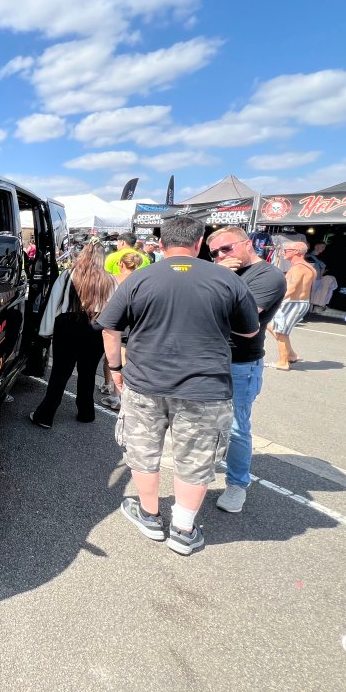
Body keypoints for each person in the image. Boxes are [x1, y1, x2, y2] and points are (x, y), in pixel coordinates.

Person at [98, 215, 259, 556]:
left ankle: (150, 515)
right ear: (199, 243)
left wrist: (115, 369)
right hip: (206, 387)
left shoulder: (140, 278)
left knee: (143, 450)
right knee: (196, 457)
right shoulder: (226, 279)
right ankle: (183, 530)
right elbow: (249, 330)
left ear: (161, 244)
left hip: (145, 382)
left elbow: (110, 328)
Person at [207, 226, 287, 513]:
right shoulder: (223, 272)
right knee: (203, 420)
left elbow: (245, 320)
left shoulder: (268, 275)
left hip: (240, 363)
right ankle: (206, 466)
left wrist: (219, 279)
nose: (220, 255)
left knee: (237, 427)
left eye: (226, 248)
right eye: (214, 253)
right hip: (210, 358)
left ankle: (237, 484)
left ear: (247, 244)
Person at [29, 244, 116, 428]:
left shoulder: (69, 274)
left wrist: (45, 331)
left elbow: (54, 303)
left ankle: (45, 416)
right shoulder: (109, 279)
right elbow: (113, 310)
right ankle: (86, 413)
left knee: (60, 373)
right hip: (95, 328)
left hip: (67, 326)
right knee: (88, 373)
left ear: (83, 255)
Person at [99, 251, 143, 411]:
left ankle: (112, 391)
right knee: (125, 357)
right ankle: (116, 393)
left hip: (114, 322)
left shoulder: (112, 279)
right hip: (133, 323)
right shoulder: (140, 280)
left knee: (111, 357)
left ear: (120, 264)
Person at [268, 241, 316, 370]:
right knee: (272, 326)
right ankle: (291, 355)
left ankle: (283, 362)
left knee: (280, 332)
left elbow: (291, 289)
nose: (283, 253)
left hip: (292, 303)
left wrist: (274, 302)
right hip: (298, 303)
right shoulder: (308, 267)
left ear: (296, 252)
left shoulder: (298, 268)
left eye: (286, 250)